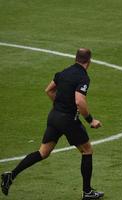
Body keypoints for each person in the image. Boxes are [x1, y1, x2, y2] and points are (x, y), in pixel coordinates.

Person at [1, 48, 105, 199]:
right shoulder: (83, 77)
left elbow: (49, 90)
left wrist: (60, 106)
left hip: (54, 116)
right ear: (89, 61)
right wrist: (91, 120)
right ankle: (87, 192)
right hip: (68, 120)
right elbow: (79, 101)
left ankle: (11, 175)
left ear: (76, 58)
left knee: (43, 152)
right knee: (87, 150)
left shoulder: (63, 72)